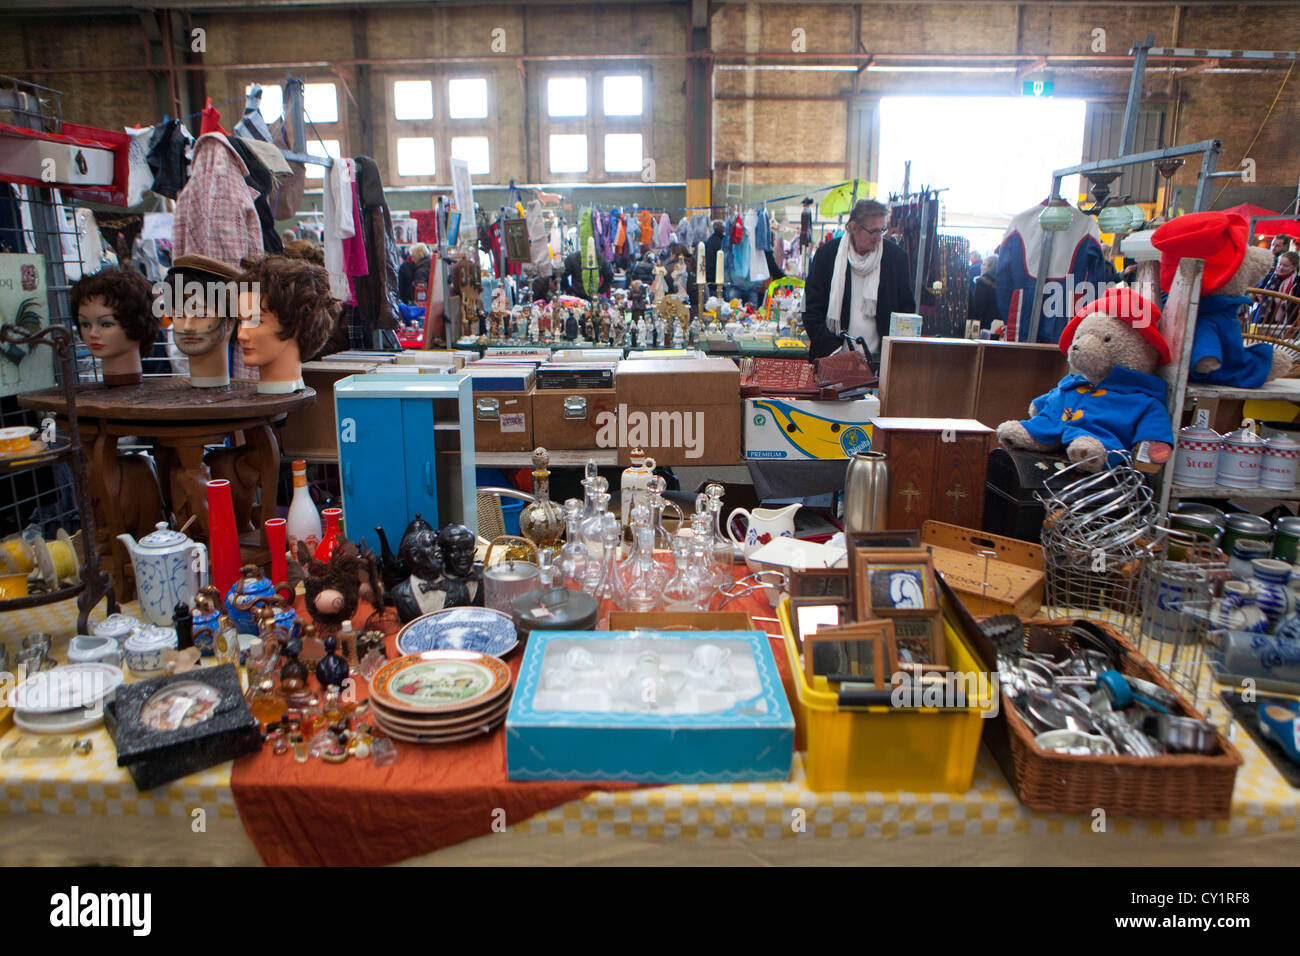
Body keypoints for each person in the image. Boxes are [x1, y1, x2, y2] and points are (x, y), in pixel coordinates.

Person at [802, 199, 916, 362]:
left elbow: (907, 310)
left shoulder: (896, 258)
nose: (878, 237)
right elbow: (810, 310)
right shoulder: (826, 256)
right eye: (873, 231)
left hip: (880, 362)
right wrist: (836, 351)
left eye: (882, 230)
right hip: (833, 358)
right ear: (853, 227)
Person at [1251, 251, 1299, 326]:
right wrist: (1256, 297)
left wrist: (1284, 303)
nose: (1281, 267)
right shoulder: (1269, 277)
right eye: (1279, 264)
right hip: (1261, 317)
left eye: (1285, 266)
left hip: (1283, 323)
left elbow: (1296, 306)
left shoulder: (1297, 282)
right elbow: (1258, 292)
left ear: (1294, 267)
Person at [968, 253, 1001, 330]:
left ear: (990, 267)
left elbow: (978, 308)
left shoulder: (982, 283)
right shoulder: (1002, 285)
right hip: (997, 326)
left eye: (983, 264)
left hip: (983, 326)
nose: (981, 267)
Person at [704, 219, 726, 297]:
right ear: (723, 229)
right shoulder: (724, 242)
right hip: (720, 278)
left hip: (709, 278)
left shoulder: (708, 242)